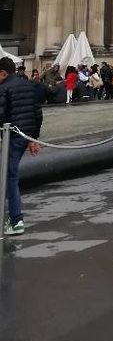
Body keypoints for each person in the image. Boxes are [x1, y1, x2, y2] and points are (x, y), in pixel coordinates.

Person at [0, 56, 42, 234]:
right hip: (24, 135)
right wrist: (33, 139)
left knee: (10, 176)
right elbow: (38, 114)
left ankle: (16, 220)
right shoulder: (28, 85)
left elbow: (1, 115)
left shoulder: (3, 88)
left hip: (13, 136)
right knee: (9, 174)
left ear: (3, 73)